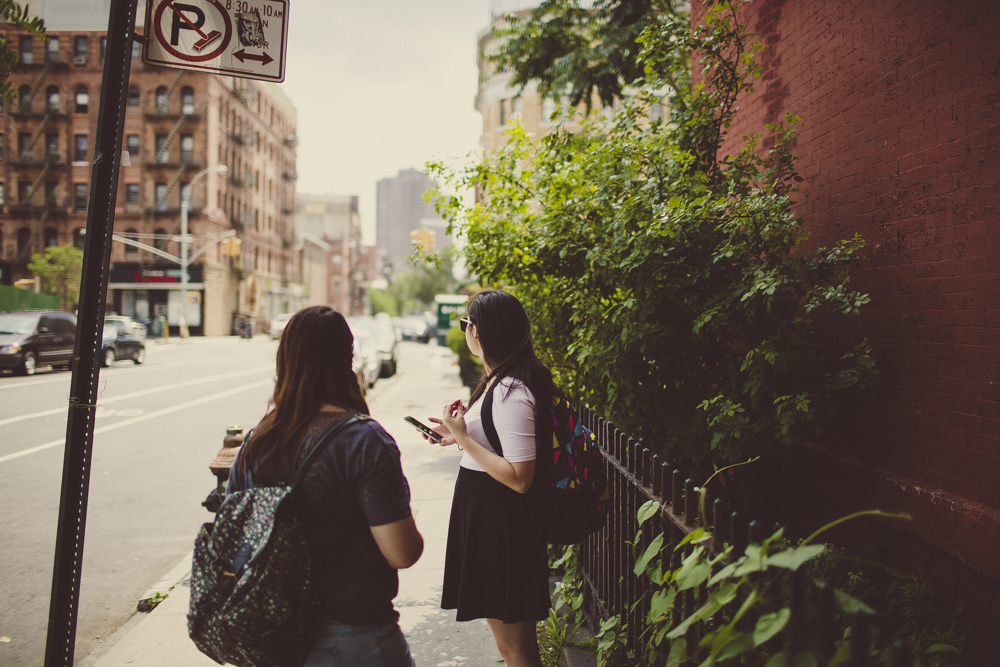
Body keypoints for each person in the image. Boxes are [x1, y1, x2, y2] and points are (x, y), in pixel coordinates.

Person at [227, 305, 423, 667]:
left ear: (283, 360)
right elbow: (402, 553)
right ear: (348, 359)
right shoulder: (364, 441)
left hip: (275, 636)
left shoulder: (257, 443)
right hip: (355, 636)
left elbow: (237, 540)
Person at [427, 290, 557, 667]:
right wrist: (457, 436)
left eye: (467, 324)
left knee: (515, 650)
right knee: (510, 648)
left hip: (503, 528)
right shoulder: (500, 381)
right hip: (493, 523)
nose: (466, 331)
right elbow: (500, 448)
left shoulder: (511, 391)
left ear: (480, 332)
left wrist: (465, 438)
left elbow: (520, 477)